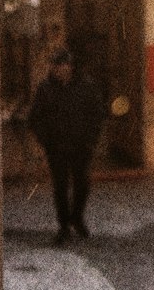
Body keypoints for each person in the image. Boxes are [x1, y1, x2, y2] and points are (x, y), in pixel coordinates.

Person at [27, 48, 106, 242]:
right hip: (57, 147)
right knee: (60, 187)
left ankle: (77, 218)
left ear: (69, 66)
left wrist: (90, 140)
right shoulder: (45, 88)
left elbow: (97, 114)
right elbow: (35, 118)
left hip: (81, 146)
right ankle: (64, 226)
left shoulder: (86, 86)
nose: (57, 69)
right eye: (54, 66)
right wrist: (46, 140)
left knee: (82, 185)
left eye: (60, 65)